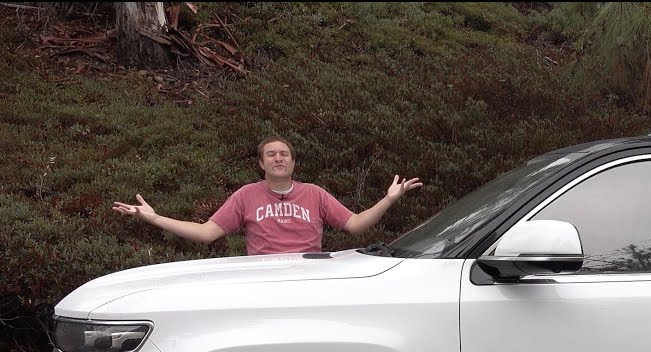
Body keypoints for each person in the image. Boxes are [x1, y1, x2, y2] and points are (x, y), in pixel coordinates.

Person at [112, 137, 422, 255]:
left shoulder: (314, 194)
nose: (278, 158)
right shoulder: (247, 195)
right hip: (262, 276)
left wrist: (389, 199)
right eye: (271, 155)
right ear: (261, 163)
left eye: (284, 154)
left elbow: (354, 225)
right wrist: (154, 218)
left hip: (310, 274)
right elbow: (207, 233)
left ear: (293, 162)